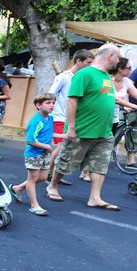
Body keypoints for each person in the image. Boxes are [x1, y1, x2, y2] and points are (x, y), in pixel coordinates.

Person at [46, 44, 121, 210]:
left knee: (100, 165)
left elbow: (108, 99)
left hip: (104, 131)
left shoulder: (106, 76)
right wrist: (71, 128)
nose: (119, 60)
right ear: (110, 56)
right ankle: (52, 186)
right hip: (83, 129)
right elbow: (71, 100)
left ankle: (95, 198)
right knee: (66, 160)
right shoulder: (85, 73)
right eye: (118, 57)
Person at [47, 49, 94, 184]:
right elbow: (51, 95)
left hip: (72, 119)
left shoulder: (82, 78)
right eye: (88, 63)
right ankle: (49, 173)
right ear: (78, 61)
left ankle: (54, 173)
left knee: (66, 147)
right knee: (62, 146)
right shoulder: (63, 77)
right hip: (60, 117)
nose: (90, 66)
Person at [8, 93, 58, 216]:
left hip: (44, 154)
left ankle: (17, 188)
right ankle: (34, 205)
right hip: (34, 154)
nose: (51, 105)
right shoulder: (36, 121)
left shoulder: (50, 118)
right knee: (33, 179)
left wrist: (64, 136)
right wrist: (46, 146)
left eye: (53, 103)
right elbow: (30, 140)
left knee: (42, 178)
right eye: (48, 103)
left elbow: (49, 134)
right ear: (38, 105)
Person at [109, 58, 137, 168]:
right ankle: (86, 170)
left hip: (114, 116)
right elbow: (115, 99)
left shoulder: (126, 82)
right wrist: (130, 105)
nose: (131, 70)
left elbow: (134, 92)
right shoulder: (108, 80)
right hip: (103, 115)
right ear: (120, 69)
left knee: (106, 141)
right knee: (109, 139)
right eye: (129, 68)